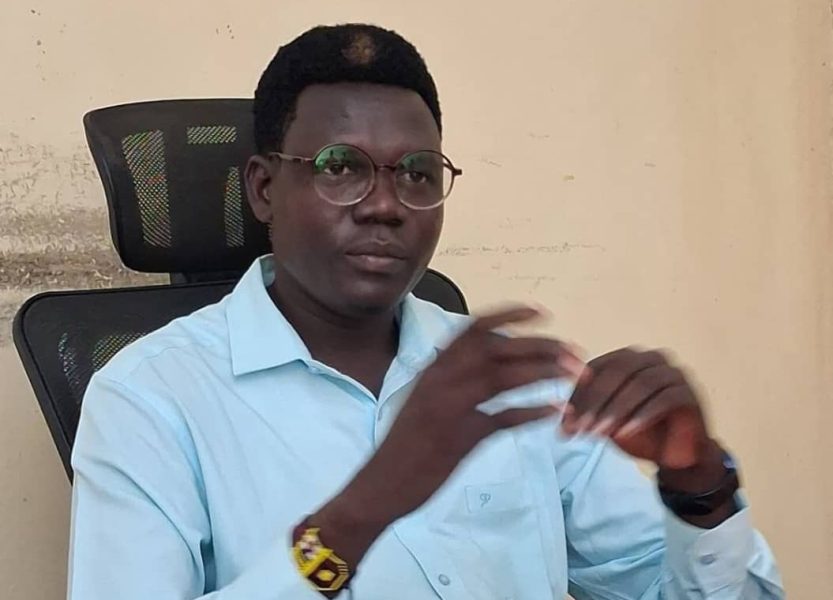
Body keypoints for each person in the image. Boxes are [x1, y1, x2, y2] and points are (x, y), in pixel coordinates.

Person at [68, 23, 784, 600]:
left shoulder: (508, 378)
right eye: (341, 167)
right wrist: (364, 510)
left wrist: (698, 483)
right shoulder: (151, 397)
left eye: (416, 173)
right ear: (263, 188)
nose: (385, 205)